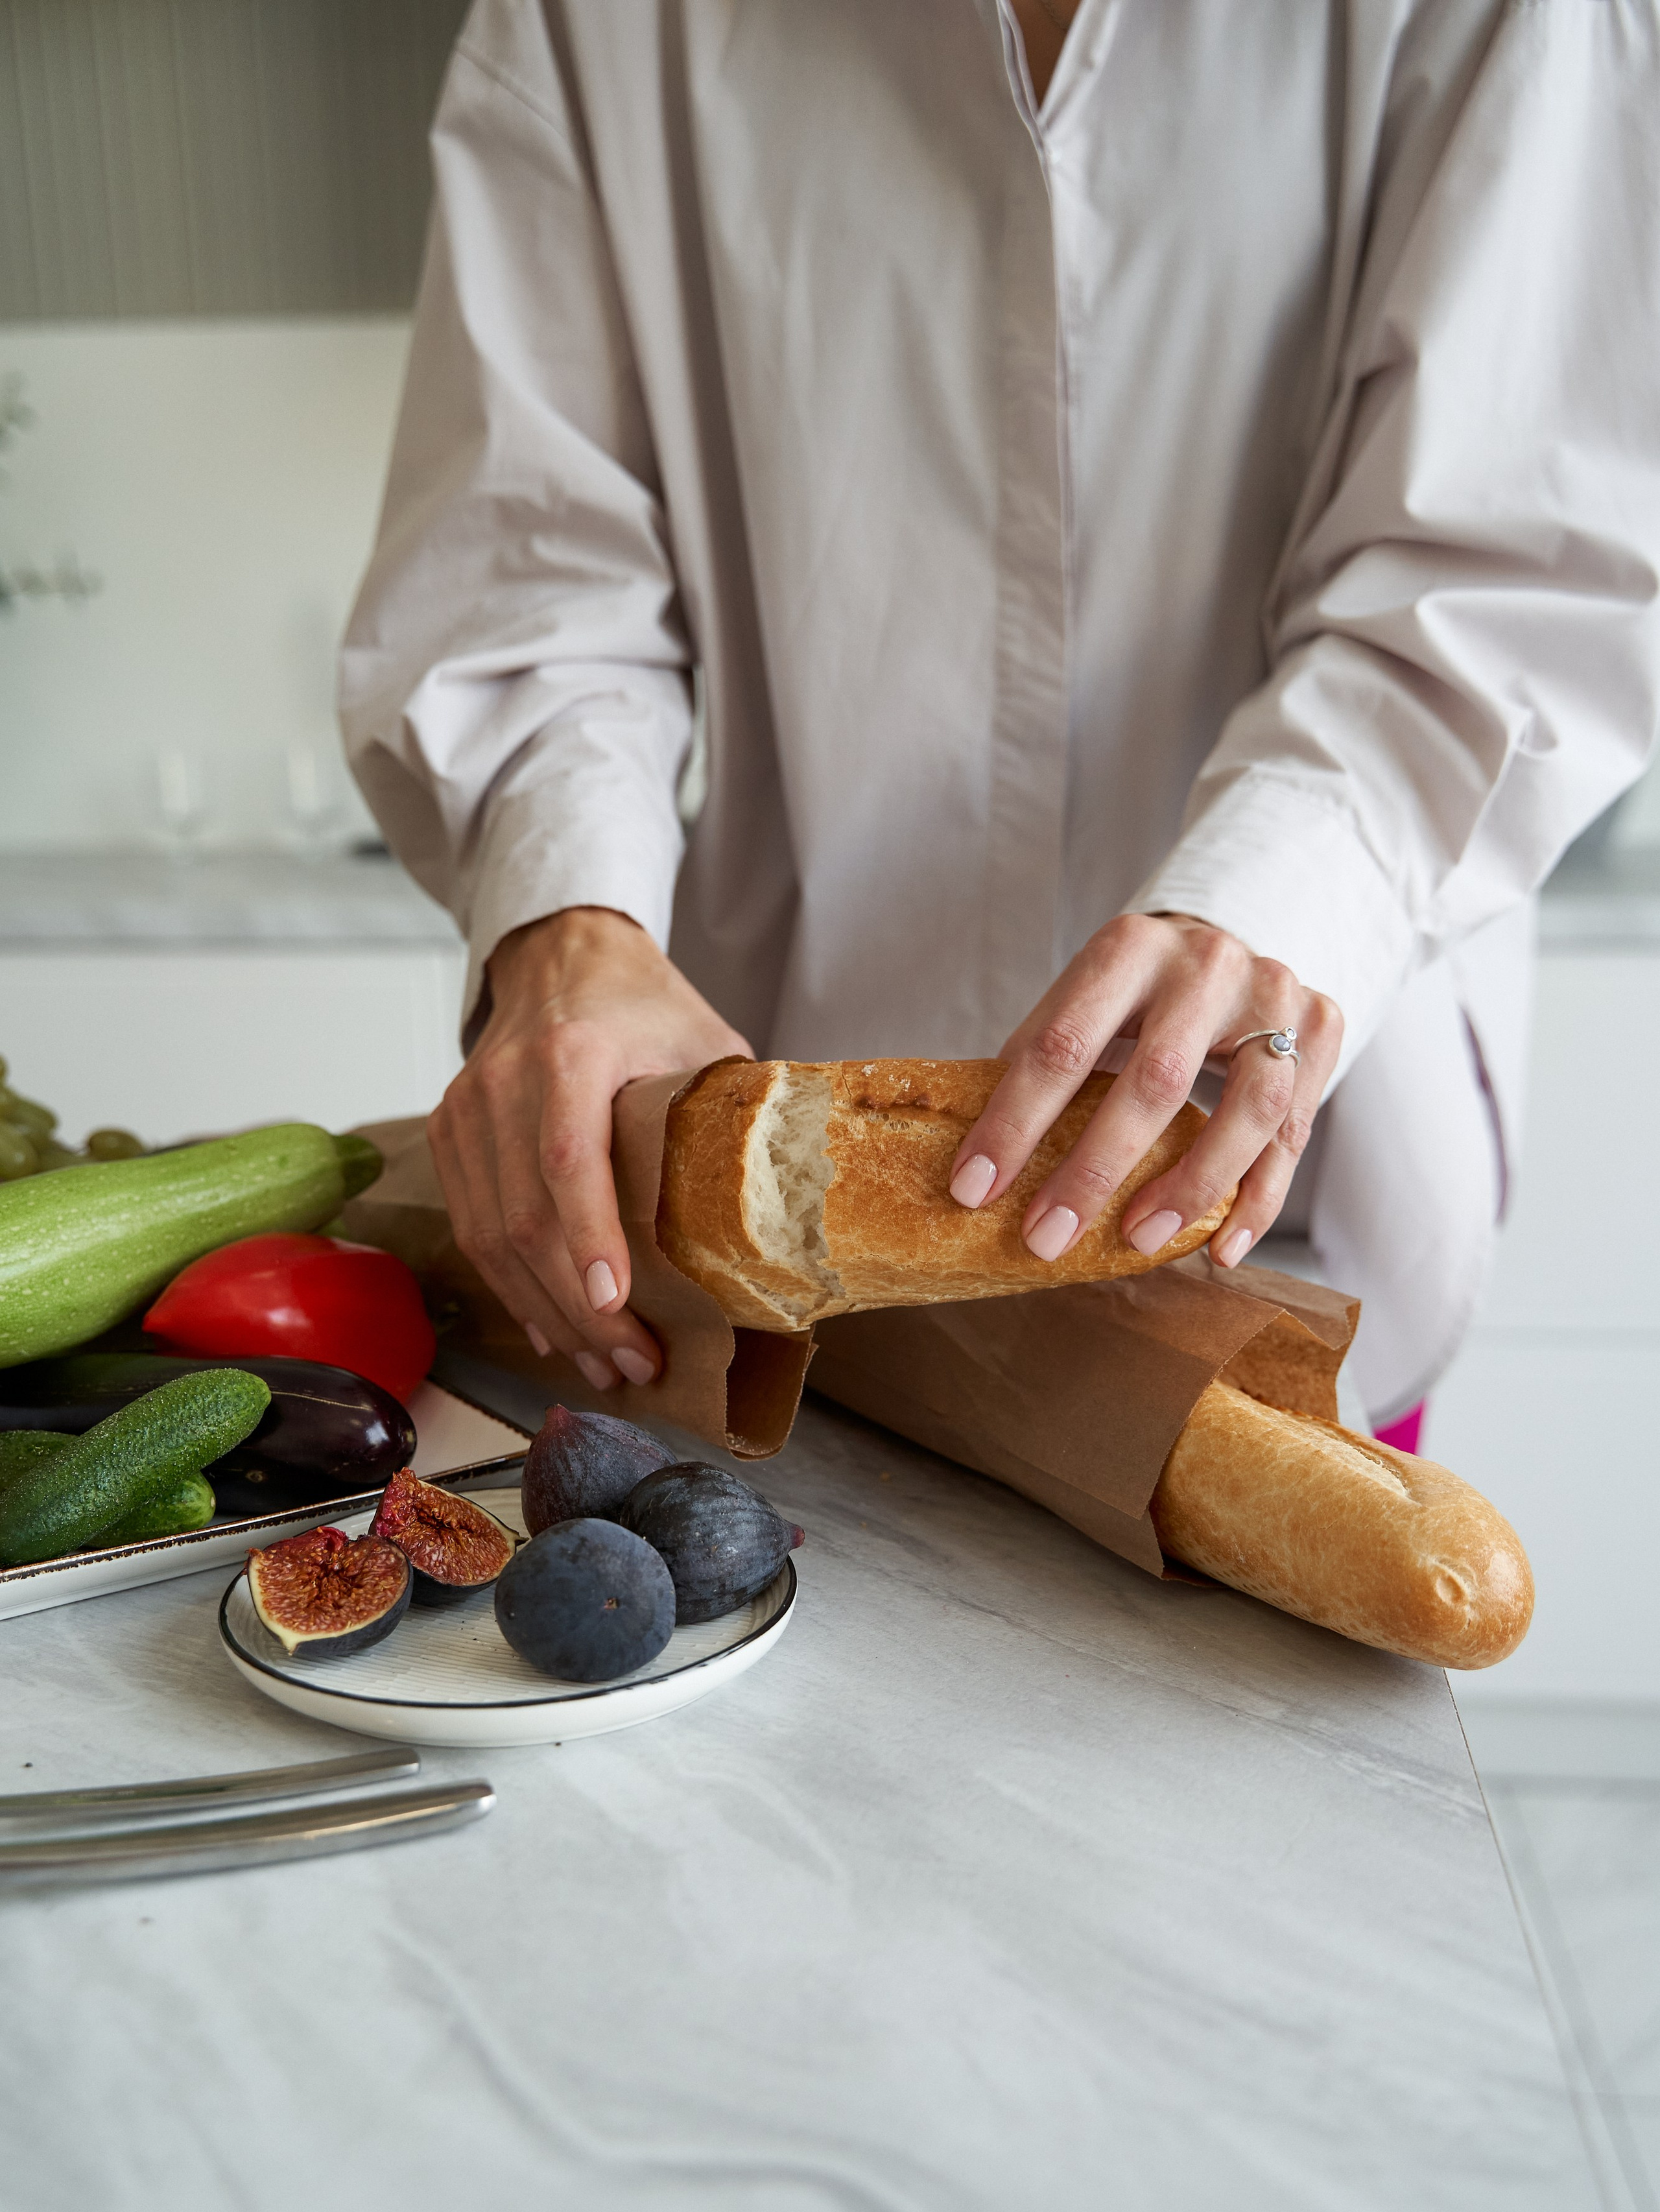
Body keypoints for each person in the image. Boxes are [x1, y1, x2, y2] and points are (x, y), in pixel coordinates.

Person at [341, 0, 1660, 1430]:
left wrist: (1283, 888)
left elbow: (1512, 555)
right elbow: (531, 567)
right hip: (757, 1262)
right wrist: (569, 928)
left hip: (1276, 1228)